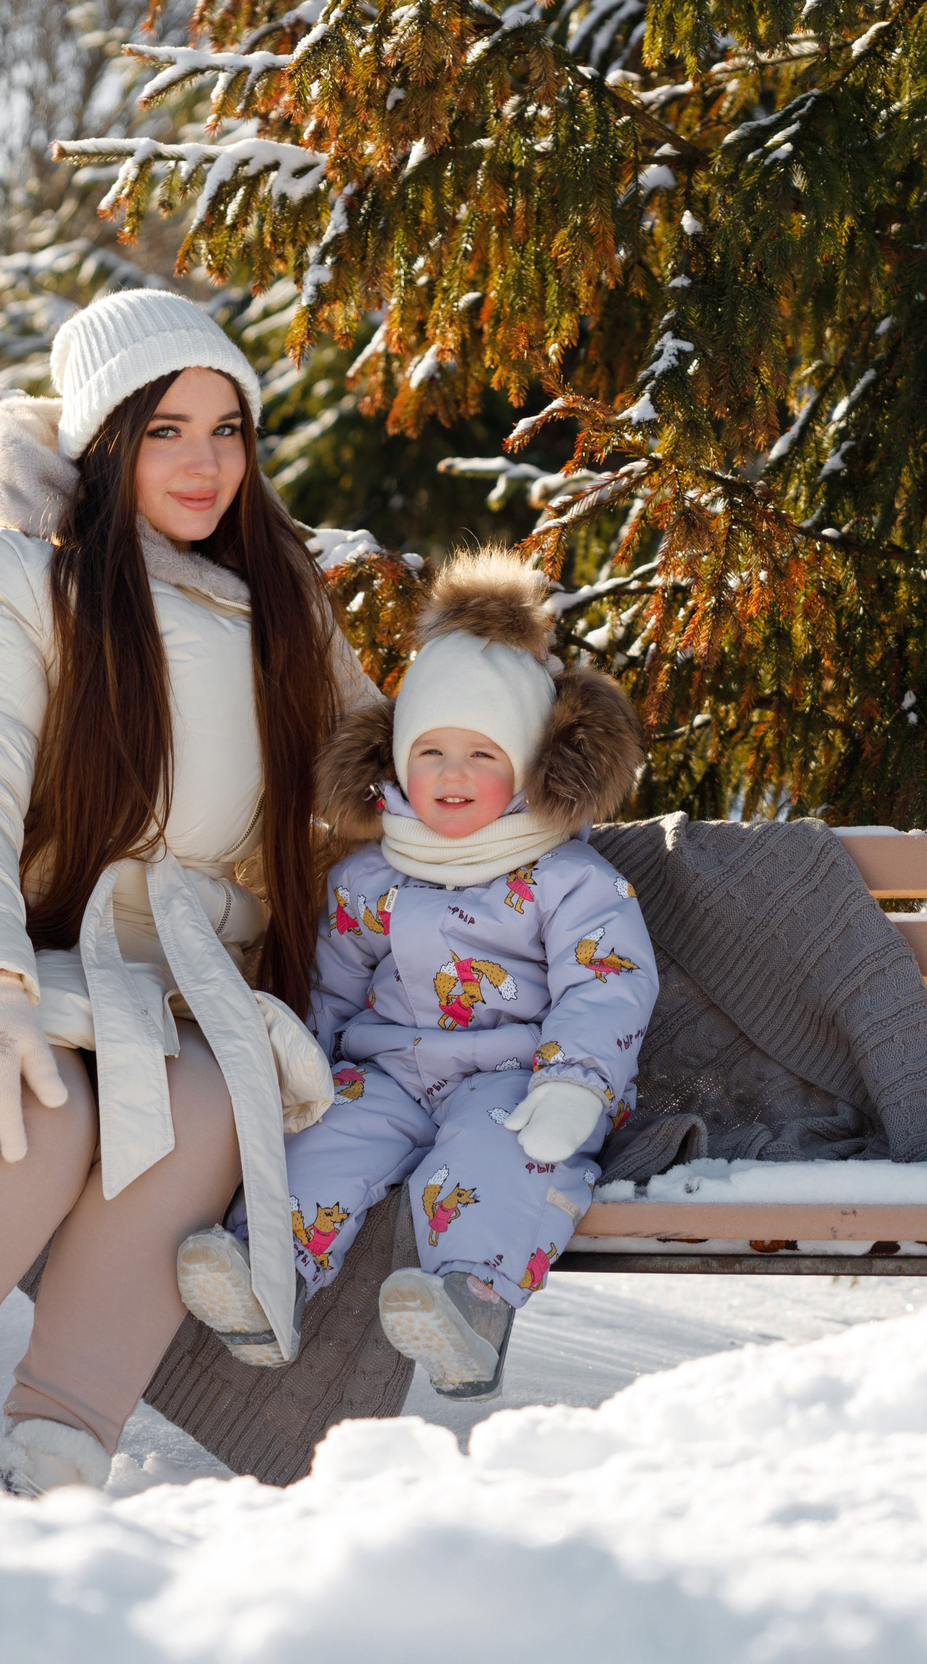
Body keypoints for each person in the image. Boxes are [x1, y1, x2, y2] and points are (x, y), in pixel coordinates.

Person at [0, 290, 371, 1495]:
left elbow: (388, 778)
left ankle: (52, 1463)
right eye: (165, 430)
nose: (205, 462)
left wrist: (512, 751)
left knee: (215, 1108)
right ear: (105, 439)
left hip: (166, 1001)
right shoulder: (9, 577)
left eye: (229, 428)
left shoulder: (283, 607)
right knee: (36, 1109)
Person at [171, 550, 654, 1400]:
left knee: (494, 1159)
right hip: (386, 1074)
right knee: (323, 1143)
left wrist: (577, 1083)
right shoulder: (369, 878)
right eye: (430, 750)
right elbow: (329, 987)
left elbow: (605, 986)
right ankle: (264, 1276)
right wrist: (299, 1070)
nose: (453, 774)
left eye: (481, 752)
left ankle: (470, 1304)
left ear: (533, 763)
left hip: (515, 1081)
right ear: (395, 761)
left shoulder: (569, 879)